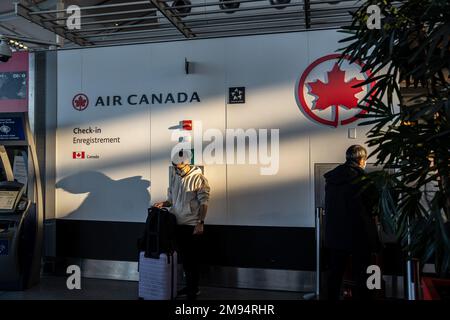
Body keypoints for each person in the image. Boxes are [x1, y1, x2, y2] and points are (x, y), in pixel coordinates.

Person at [323, 145, 379, 300]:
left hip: (335, 234)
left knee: (335, 273)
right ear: (362, 160)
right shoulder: (363, 179)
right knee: (363, 272)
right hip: (359, 234)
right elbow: (373, 205)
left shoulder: (332, 178)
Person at [153, 150, 210, 300]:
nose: (177, 169)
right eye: (175, 167)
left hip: (191, 225)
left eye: (179, 167)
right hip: (176, 223)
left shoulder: (199, 178)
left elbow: (204, 203)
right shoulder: (175, 177)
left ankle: (194, 289)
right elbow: (171, 200)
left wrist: (200, 223)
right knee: (184, 259)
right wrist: (163, 203)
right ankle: (189, 287)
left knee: (191, 259)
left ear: (187, 163)